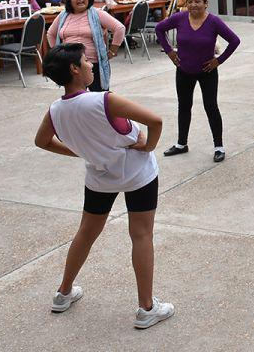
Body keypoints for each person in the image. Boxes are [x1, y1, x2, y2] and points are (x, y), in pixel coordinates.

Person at [33, 43, 174, 329]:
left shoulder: (56, 110)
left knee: (86, 233)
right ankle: (146, 307)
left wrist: (82, 151)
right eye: (85, 61)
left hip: (99, 177)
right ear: (74, 69)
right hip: (137, 173)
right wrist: (148, 146)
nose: (91, 65)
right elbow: (155, 121)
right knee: (141, 235)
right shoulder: (104, 100)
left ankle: (63, 293)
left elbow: (42, 141)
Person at [156, 0, 240, 162]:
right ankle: (181, 144)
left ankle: (219, 146)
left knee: (211, 107)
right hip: (184, 70)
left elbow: (234, 40)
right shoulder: (179, 18)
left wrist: (219, 60)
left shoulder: (214, 22)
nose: (194, 5)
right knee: (184, 106)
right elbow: (159, 29)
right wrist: (170, 52)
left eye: (198, 1)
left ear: (206, 3)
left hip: (207, 72)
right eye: (190, 1)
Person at [47, 0, 126, 92]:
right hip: (71, 66)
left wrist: (112, 51)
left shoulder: (97, 13)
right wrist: (59, 53)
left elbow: (119, 28)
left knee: (98, 100)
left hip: (93, 65)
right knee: (76, 99)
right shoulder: (63, 16)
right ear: (69, 0)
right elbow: (50, 34)